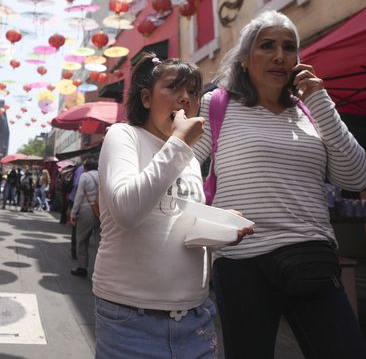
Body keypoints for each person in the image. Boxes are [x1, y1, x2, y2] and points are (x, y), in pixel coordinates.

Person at [193, 11, 366, 359]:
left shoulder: (310, 111)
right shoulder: (217, 105)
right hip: (241, 262)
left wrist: (320, 101)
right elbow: (182, 168)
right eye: (267, 46)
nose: (279, 56)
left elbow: (356, 176)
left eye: (289, 48)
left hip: (310, 255)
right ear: (245, 59)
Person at [93, 53, 253, 359]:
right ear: (146, 98)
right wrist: (179, 142)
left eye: (193, 92)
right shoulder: (124, 136)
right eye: (173, 88)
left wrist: (221, 225)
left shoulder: (188, 157)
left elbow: (182, 224)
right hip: (130, 317)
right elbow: (127, 211)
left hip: (195, 315)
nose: (185, 99)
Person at [69, 157, 99, 277]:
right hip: (100, 211)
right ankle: (99, 270)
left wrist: (73, 213)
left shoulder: (85, 176)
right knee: (99, 242)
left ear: (85, 167)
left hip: (86, 210)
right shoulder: (102, 175)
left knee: (82, 240)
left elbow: (79, 195)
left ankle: (82, 267)